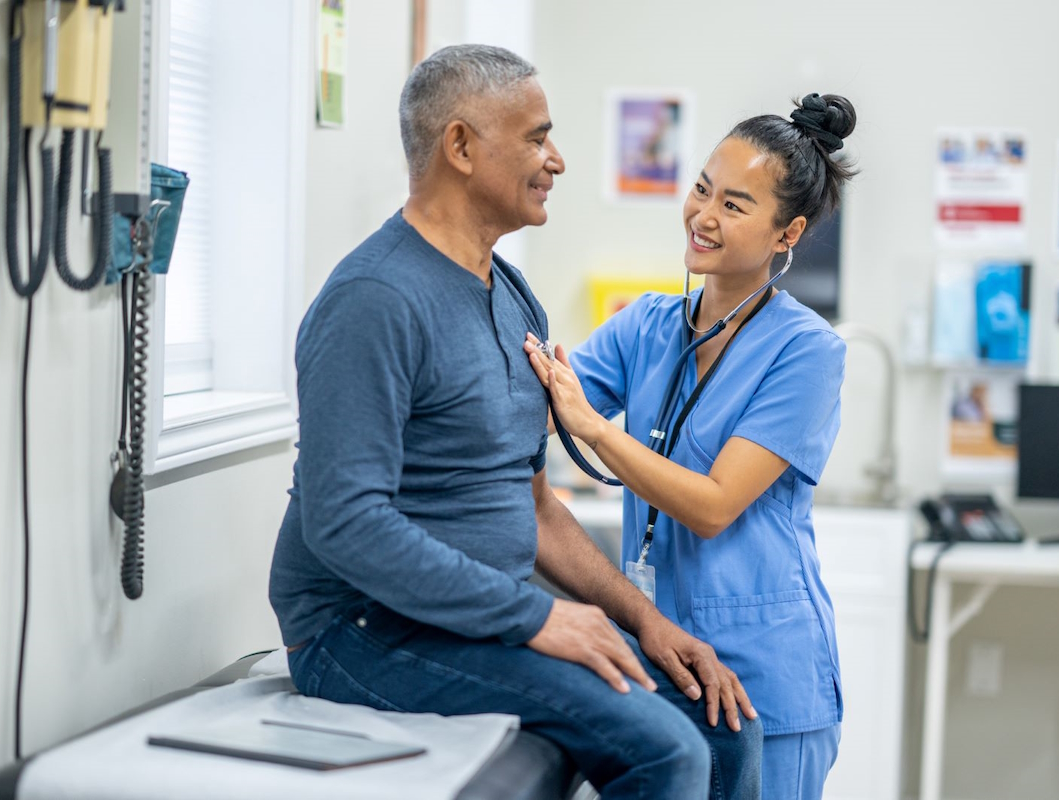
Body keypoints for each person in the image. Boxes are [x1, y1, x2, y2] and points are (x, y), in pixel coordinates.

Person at [269, 44, 761, 799]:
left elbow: (534, 507)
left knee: (724, 726)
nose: (555, 160)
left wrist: (642, 620)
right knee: (669, 752)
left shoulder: (511, 294)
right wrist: (537, 617)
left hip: (472, 618)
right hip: (361, 632)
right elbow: (345, 523)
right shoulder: (373, 301)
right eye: (536, 137)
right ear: (460, 146)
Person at [525, 93, 856, 800]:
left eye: (735, 206)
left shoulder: (807, 352)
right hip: (664, 663)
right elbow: (542, 406)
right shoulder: (645, 325)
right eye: (703, 189)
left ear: (786, 234)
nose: (704, 216)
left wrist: (594, 428)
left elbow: (712, 506)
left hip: (766, 679)